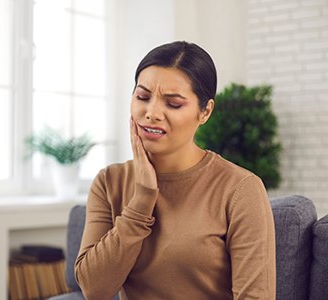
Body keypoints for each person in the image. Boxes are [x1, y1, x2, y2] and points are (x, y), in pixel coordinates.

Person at [74, 41, 276, 300]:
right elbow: (94, 289)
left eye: (173, 103)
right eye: (143, 97)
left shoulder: (240, 189)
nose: (152, 113)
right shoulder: (108, 181)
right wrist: (143, 197)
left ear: (205, 111)